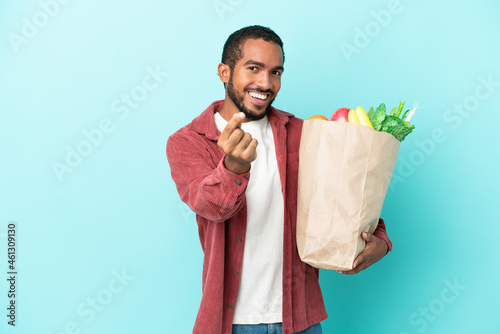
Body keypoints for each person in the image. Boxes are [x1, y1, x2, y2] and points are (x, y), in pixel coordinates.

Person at [166, 25, 392, 334]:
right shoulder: (189, 142)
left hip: (300, 319)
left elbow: (343, 189)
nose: (266, 82)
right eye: (254, 68)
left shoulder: (301, 133)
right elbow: (210, 207)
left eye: (276, 72)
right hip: (232, 324)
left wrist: (381, 239)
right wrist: (233, 167)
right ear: (224, 71)